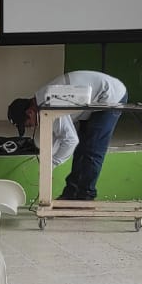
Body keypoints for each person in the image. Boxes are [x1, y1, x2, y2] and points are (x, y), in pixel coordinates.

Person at [15, 70, 128, 201]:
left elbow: (70, 140)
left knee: (92, 150)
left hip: (111, 96)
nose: (32, 127)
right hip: (92, 100)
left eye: (28, 124)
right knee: (80, 150)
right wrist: (47, 159)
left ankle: (85, 197)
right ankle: (71, 193)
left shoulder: (49, 103)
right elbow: (59, 134)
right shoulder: (42, 100)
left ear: (30, 112)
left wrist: (52, 163)